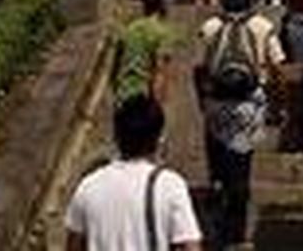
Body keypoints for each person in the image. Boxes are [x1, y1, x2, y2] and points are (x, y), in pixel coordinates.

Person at [196, 0, 285, 248]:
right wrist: (279, 103)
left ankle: (218, 205)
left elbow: (199, 68)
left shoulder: (210, 27)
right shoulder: (263, 27)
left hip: (216, 102)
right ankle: (237, 232)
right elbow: (277, 67)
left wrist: (202, 100)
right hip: (248, 104)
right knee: (241, 163)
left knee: (217, 159)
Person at [65, 94, 203, 251]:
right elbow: (190, 247)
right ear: (160, 139)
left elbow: (73, 246)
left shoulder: (88, 186)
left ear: (116, 137)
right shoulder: (170, 186)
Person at [111, 0, 176, 109]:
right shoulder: (161, 32)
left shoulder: (129, 29)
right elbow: (159, 72)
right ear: (162, 3)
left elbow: (114, 70)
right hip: (144, 101)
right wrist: (156, 106)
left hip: (122, 100)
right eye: (169, 1)